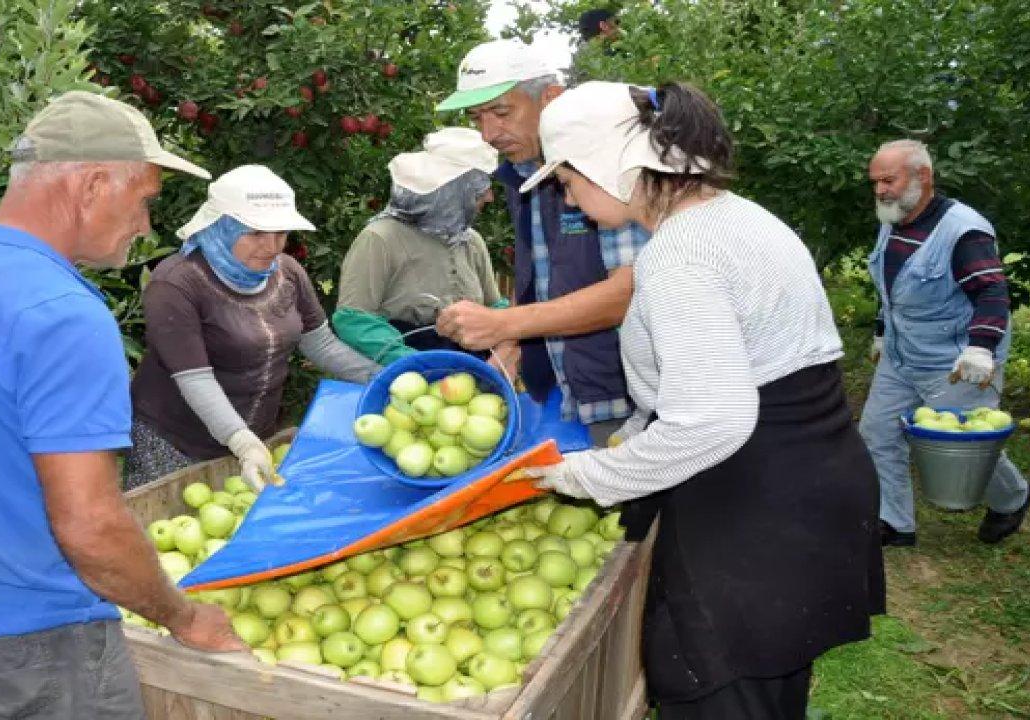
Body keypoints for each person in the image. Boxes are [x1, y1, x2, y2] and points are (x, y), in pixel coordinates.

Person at [0, 91, 246, 720]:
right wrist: (185, 616)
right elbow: (90, 526)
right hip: (19, 652)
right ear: (92, 183)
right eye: (144, 200)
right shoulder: (60, 311)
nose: (145, 225)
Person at [518, 81, 884, 719]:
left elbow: (711, 421)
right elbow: (718, 373)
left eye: (567, 178)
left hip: (755, 511)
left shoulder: (681, 253)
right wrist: (637, 431)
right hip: (812, 485)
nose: (566, 194)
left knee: (720, 691)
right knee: (767, 695)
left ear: (611, 166)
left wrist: (582, 475)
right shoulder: (740, 218)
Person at [434, 39, 650, 446]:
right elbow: (545, 277)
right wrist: (510, 344)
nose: (489, 133)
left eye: (501, 112)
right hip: (571, 391)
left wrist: (505, 322)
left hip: (629, 396)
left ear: (550, 99)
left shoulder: (605, 169)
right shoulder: (522, 176)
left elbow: (633, 290)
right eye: (477, 117)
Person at [127, 165, 380, 490]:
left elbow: (321, 346)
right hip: (178, 442)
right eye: (256, 233)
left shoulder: (287, 273)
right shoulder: (177, 284)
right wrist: (241, 441)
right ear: (221, 227)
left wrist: (385, 377)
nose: (272, 246)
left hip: (254, 435)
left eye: (280, 233)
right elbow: (196, 380)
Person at [861, 139, 1030, 546]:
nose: (880, 190)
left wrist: (980, 349)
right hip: (902, 356)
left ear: (922, 176)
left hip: (953, 362)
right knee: (878, 433)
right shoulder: (892, 220)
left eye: (889, 180)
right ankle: (895, 522)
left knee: (963, 446)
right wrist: (883, 333)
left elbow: (992, 293)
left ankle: (1013, 498)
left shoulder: (963, 230)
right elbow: (892, 287)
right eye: (875, 182)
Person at [333, 127, 505, 363]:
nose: (489, 197)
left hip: (473, 372)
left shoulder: (470, 241)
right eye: (480, 190)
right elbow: (353, 319)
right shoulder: (380, 239)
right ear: (450, 193)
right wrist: (412, 363)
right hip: (406, 380)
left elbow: (494, 307)